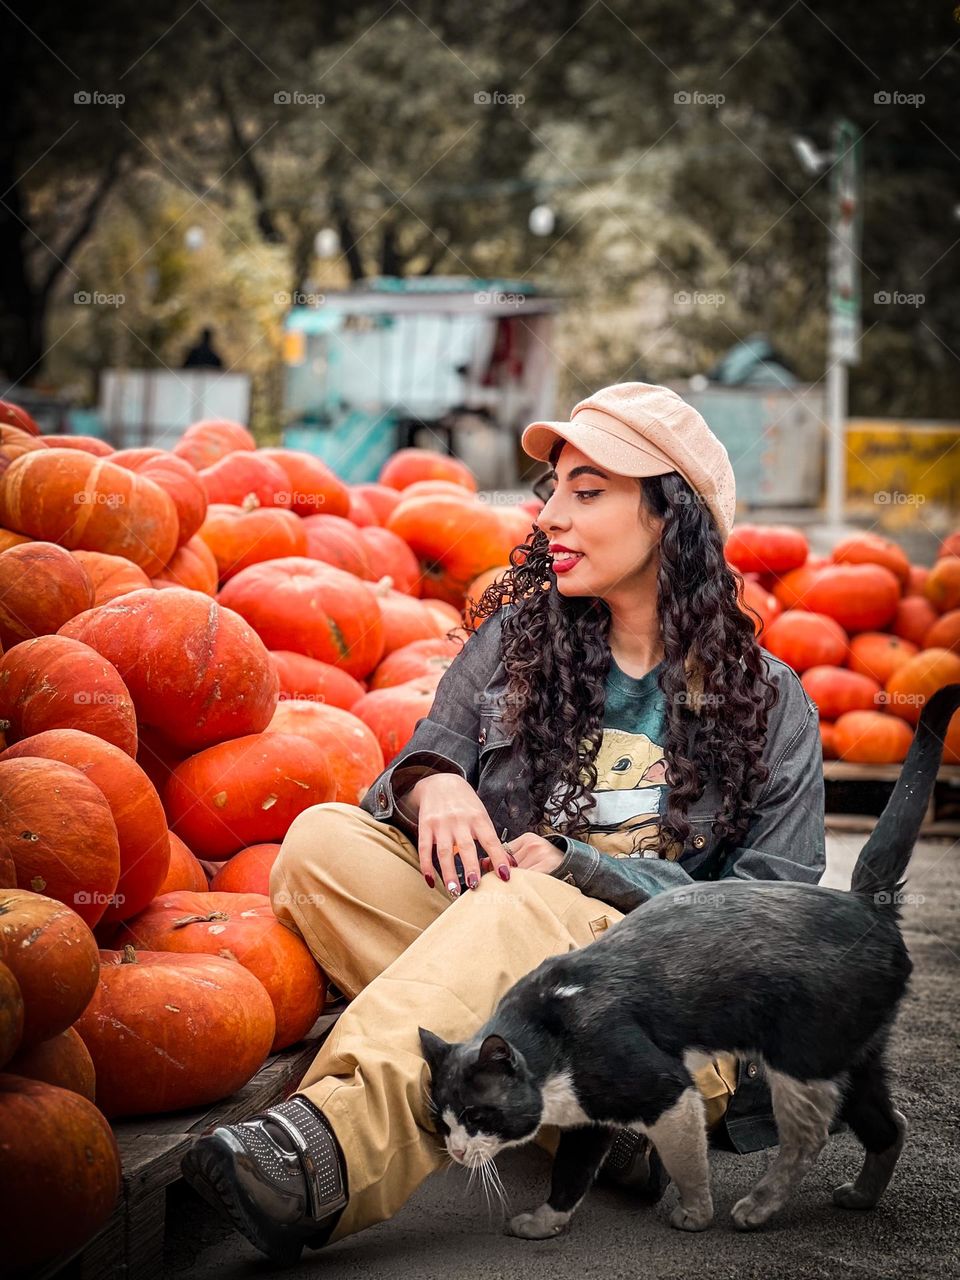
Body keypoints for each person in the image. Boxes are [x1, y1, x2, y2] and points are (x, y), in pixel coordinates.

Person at [181, 382, 826, 1264]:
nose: (552, 514)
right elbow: (418, 763)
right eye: (553, 488)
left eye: (588, 491)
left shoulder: (774, 703)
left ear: (671, 515)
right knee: (322, 844)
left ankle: (326, 1155)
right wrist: (434, 782)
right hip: (509, 942)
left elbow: (772, 924)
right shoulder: (522, 640)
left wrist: (581, 868)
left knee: (515, 899)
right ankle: (597, 1118)